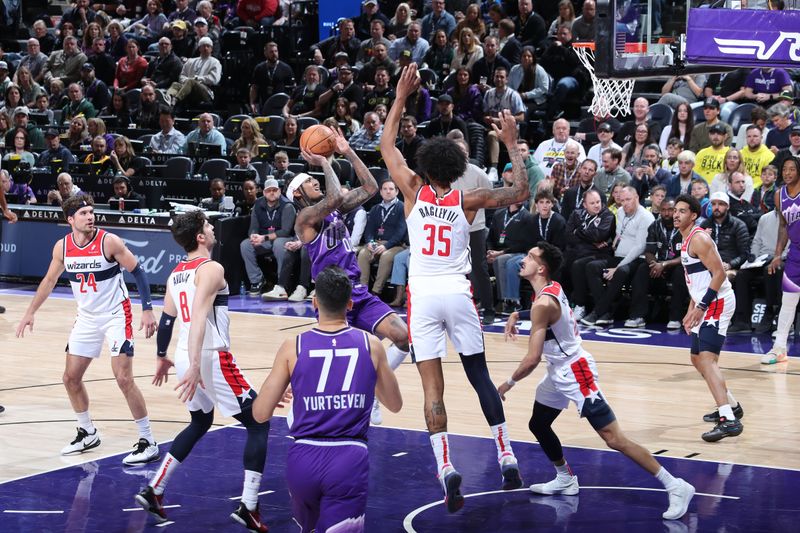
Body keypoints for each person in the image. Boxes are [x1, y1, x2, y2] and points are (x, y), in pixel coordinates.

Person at [382, 65, 529, 511]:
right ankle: (505, 454)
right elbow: (520, 191)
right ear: (458, 168)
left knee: (433, 391)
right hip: (458, 290)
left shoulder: (411, 191)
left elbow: (387, 144)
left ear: (426, 166)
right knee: (479, 375)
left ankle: (446, 467)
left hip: (423, 293)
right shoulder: (469, 200)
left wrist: (401, 96)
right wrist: (509, 145)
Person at [497, 241, 695, 520]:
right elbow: (549, 317)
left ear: (541, 268)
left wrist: (506, 384)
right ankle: (565, 479)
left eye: (529, 257)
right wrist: (518, 313)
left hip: (576, 371)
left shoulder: (543, 301)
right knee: (539, 423)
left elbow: (531, 359)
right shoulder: (549, 290)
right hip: (559, 370)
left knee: (613, 438)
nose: (523, 260)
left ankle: (675, 485)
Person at [133, 211, 270, 531]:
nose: (212, 229)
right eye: (208, 226)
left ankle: (155, 489)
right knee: (259, 422)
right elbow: (195, 320)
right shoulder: (211, 268)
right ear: (200, 237)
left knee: (200, 420)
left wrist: (162, 356)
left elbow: (167, 320)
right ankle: (249, 506)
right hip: (208, 356)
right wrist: (195, 366)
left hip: (186, 354)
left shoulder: (176, 273)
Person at [252, 265, 402, 533]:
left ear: (314, 302)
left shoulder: (292, 346)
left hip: (303, 457)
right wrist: (368, 379)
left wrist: (275, 395)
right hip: (348, 457)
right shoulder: (371, 345)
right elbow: (395, 404)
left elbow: (260, 414)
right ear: (350, 304)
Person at [15, 193, 159, 463]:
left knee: (123, 378)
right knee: (70, 378)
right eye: (83, 213)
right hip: (87, 317)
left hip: (117, 313)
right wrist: (30, 312)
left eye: (91, 212)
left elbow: (138, 271)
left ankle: (148, 440)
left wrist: (148, 309)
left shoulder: (109, 241)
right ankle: (87, 432)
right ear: (70, 219)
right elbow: (48, 280)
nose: (90, 216)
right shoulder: (63, 247)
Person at [287, 130, 409, 426]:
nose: (314, 180)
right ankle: (299, 406)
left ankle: (376, 394)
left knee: (405, 338)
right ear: (298, 195)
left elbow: (369, 186)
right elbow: (334, 195)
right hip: (331, 299)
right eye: (308, 180)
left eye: (314, 177)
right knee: (329, 364)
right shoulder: (304, 220)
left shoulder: (335, 210)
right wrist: (325, 160)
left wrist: (347, 151)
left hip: (358, 292)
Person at [673, 194, 744, 441]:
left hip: (718, 302)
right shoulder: (683, 240)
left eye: (682, 211)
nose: (676, 214)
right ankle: (731, 405)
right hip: (704, 302)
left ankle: (728, 420)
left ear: (693, 216)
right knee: (696, 358)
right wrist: (690, 308)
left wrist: (701, 306)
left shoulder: (699, 238)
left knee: (707, 359)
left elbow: (719, 274)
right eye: (675, 210)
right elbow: (696, 279)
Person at [763, 157, 800, 364]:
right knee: (788, 301)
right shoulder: (779, 195)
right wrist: (778, 254)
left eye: (792, 169)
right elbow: (783, 226)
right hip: (795, 253)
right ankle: (779, 349)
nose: (787, 173)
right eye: (784, 169)